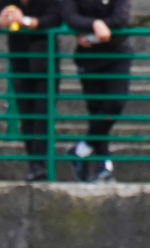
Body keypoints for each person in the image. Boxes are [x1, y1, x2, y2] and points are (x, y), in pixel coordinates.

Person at [0, 0, 62, 182]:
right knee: (26, 117)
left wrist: (24, 21)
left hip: (45, 66)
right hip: (21, 65)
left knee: (42, 115)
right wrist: (1, 20)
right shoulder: (8, 3)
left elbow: (54, 19)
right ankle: (35, 165)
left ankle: (40, 164)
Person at [61, 0, 133, 183]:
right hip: (89, 58)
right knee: (96, 110)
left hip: (117, 54)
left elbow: (120, 18)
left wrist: (97, 30)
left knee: (115, 103)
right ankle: (104, 167)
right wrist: (95, 24)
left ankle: (81, 150)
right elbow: (70, 17)